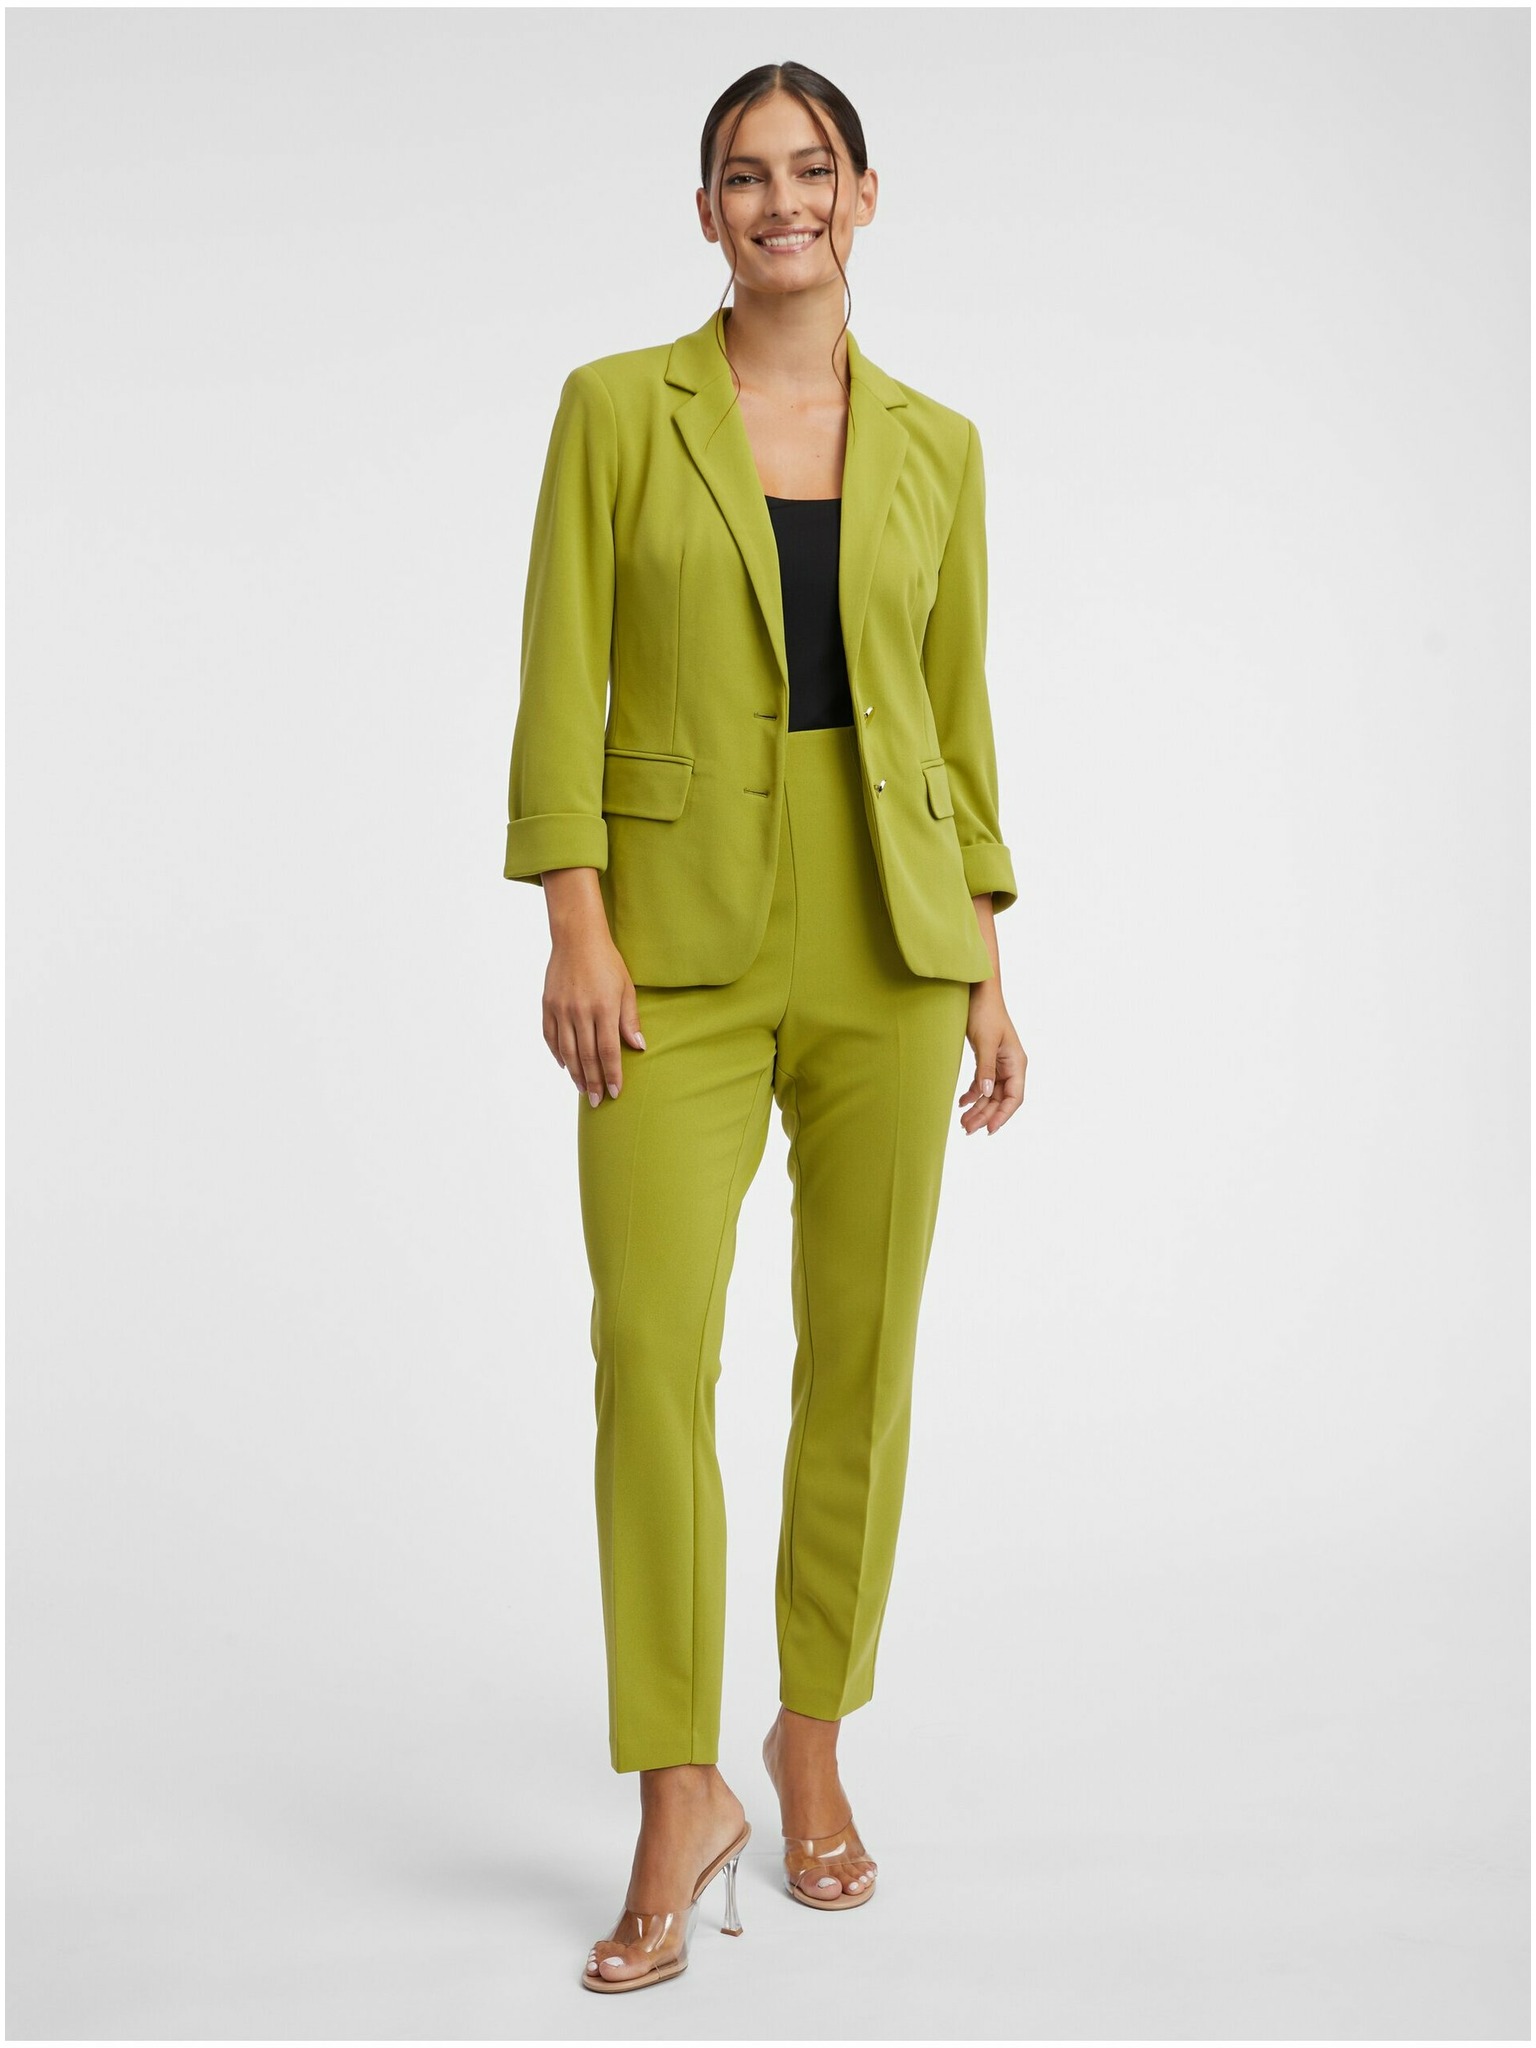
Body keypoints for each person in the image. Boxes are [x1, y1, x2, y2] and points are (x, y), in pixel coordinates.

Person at [501, 61, 1027, 1994]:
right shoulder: (614, 411)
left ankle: (813, 1734)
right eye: (746, 173)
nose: (782, 198)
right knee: (651, 1353)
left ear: (866, 196)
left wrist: (986, 959)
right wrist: (574, 919)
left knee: (861, 1359)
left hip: (892, 935)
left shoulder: (942, 447)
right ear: (707, 209)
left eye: (814, 169)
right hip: (672, 938)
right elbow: (559, 676)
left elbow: (955, 721)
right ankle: (676, 1785)